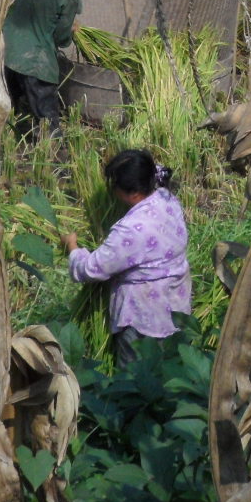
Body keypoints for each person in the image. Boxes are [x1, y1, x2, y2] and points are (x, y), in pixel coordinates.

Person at [62, 149, 191, 361]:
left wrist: (72, 247)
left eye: (114, 186)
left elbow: (90, 269)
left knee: (136, 379)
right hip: (176, 306)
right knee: (173, 373)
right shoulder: (167, 198)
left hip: (144, 317)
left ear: (132, 193)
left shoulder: (132, 230)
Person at [3, 0, 84, 130]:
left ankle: (12, 146)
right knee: (48, 123)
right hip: (36, 65)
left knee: (14, 113)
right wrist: (70, 29)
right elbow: (61, 40)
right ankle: (53, 156)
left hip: (8, 55)